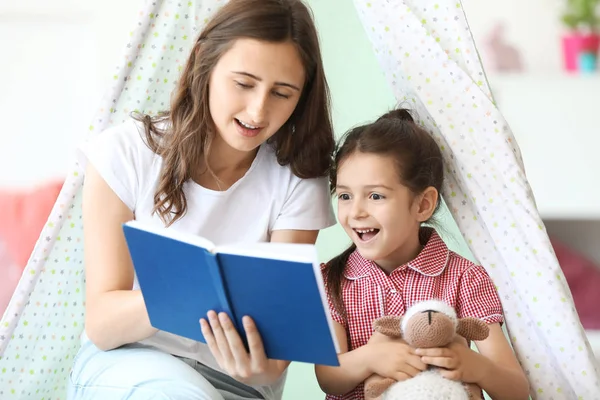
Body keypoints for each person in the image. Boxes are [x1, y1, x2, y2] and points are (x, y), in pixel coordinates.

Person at [67, 1, 336, 399]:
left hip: (237, 384)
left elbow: (275, 356)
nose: (258, 110)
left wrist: (262, 362)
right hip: (127, 361)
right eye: (244, 84)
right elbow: (103, 324)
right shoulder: (123, 154)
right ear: (203, 62)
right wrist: (184, 292)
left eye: (282, 93)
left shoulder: (297, 179)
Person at [314, 109, 530, 400]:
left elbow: (515, 390)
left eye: (375, 196)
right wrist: (371, 357)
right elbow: (329, 377)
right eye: (344, 196)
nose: (356, 212)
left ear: (423, 204)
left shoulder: (464, 278)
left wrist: (476, 366)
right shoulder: (332, 279)